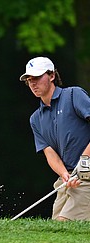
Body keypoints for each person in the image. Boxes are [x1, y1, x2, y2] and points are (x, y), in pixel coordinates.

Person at [19, 56, 90, 221]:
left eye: (37, 77)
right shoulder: (35, 119)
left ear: (51, 76)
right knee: (55, 228)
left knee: (64, 224)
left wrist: (85, 163)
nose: (33, 83)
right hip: (68, 179)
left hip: (87, 174)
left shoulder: (73, 95)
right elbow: (49, 152)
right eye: (29, 80)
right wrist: (64, 174)